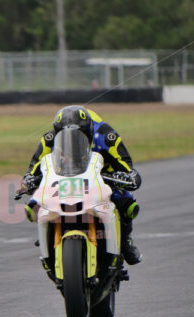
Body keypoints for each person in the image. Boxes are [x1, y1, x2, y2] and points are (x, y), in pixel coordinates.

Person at [21, 105, 142, 265]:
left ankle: (126, 242)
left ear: (90, 132)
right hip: (63, 177)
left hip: (101, 177)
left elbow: (127, 166)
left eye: (78, 136)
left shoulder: (106, 136)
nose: (72, 142)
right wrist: (29, 180)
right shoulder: (48, 140)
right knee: (34, 205)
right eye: (65, 137)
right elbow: (33, 170)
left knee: (126, 202)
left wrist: (126, 176)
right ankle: (48, 240)